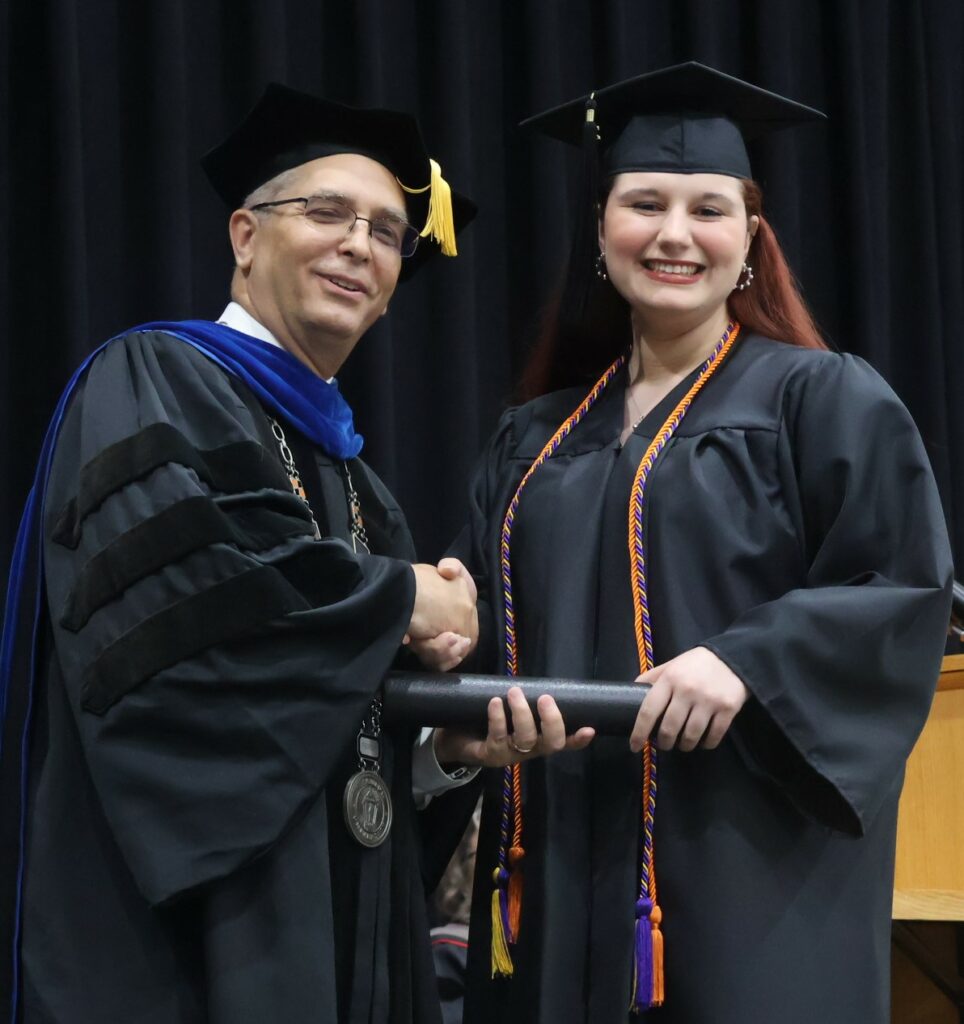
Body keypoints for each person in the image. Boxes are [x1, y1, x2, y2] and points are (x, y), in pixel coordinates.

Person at [443, 63, 954, 1024]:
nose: (675, 234)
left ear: (752, 239)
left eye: (709, 209)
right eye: (644, 203)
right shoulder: (533, 440)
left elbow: (904, 588)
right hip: (555, 873)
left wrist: (748, 662)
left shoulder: (823, 401)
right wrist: (458, 721)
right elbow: (474, 624)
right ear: (601, 232)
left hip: (748, 879)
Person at [0, 83, 484, 1024]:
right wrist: (406, 600)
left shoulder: (362, 490)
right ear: (245, 236)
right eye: (327, 212)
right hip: (177, 942)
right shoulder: (151, 380)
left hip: (335, 941)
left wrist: (442, 751)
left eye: (388, 232)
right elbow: (204, 616)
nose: (359, 243)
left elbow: (352, 720)